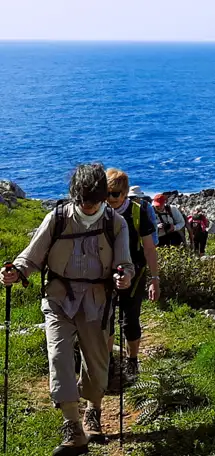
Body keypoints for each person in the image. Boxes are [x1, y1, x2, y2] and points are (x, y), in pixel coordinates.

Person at [2, 164, 134, 455]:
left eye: (94, 200)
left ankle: (93, 411)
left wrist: (124, 275)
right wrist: (16, 272)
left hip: (97, 301)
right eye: (83, 200)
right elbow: (31, 257)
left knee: (97, 364)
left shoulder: (116, 224)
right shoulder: (58, 219)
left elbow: (125, 262)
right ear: (75, 196)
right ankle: (74, 428)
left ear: (102, 196)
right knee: (59, 357)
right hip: (58, 299)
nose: (88, 206)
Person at [106, 169, 160, 387]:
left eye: (115, 194)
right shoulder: (100, 211)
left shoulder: (139, 212)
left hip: (135, 273)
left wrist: (154, 279)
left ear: (125, 192)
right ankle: (109, 362)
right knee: (106, 320)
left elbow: (149, 249)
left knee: (130, 320)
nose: (110, 199)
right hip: (104, 274)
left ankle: (132, 361)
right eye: (106, 194)